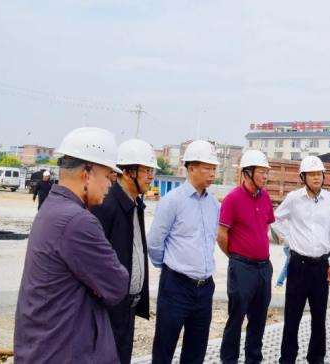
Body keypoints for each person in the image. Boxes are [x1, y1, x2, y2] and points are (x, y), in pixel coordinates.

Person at [14, 127, 129, 363]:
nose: (110, 185)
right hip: (65, 351)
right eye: (108, 176)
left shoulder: (52, 208)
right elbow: (117, 284)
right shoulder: (78, 221)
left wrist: (95, 282)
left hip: (46, 345)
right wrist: (96, 283)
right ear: (87, 174)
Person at [147, 140, 220, 363]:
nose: (212, 173)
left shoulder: (214, 204)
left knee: (196, 351)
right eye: (207, 168)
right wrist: (170, 267)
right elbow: (154, 242)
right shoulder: (172, 201)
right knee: (165, 347)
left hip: (204, 288)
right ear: (191, 168)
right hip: (176, 287)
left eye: (214, 168)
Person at [91, 138, 158, 364]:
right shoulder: (107, 204)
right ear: (128, 172)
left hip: (127, 306)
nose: (151, 176)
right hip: (109, 307)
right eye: (147, 170)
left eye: (152, 171)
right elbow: (94, 261)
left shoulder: (134, 204)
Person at [272, 155, 330, 364]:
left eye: (319, 174)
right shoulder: (294, 198)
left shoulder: (329, 199)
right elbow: (275, 219)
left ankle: (316, 358)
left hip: (321, 266)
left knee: (319, 317)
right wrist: (289, 239)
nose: (317, 178)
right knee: (292, 317)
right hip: (298, 265)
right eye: (312, 174)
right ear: (303, 177)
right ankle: (287, 358)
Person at [218, 150, 274, 364]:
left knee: (259, 319)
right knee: (236, 318)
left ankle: (253, 359)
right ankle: (229, 360)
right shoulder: (232, 199)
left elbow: (265, 228)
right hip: (242, 267)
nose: (266, 177)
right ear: (248, 172)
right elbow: (221, 235)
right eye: (262, 172)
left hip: (263, 268)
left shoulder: (265, 197)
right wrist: (236, 257)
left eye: (267, 172)